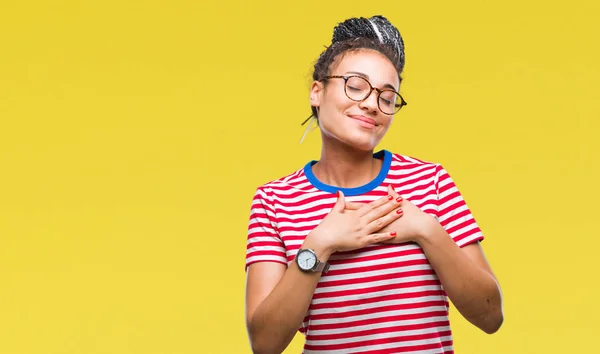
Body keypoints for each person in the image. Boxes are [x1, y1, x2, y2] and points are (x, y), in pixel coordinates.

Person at [244, 15, 503, 354]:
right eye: (355, 85)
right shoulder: (275, 200)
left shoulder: (430, 181)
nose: (371, 104)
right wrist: (319, 244)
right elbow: (264, 344)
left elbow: (490, 315)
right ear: (317, 91)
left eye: (387, 96)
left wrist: (427, 229)